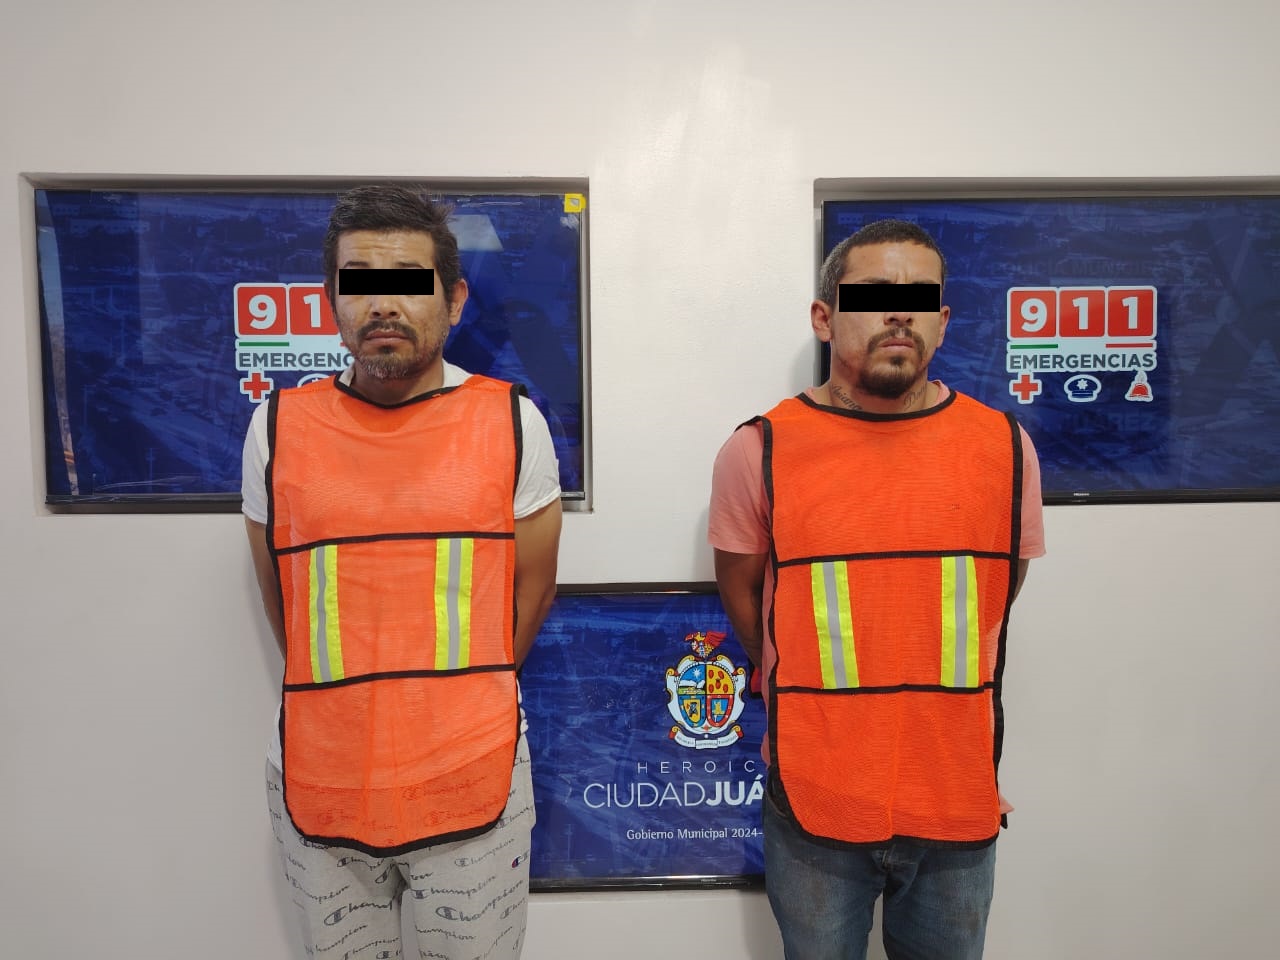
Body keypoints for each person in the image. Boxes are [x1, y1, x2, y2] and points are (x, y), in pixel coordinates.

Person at [709, 219, 1045, 960]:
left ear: (943, 322)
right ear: (824, 317)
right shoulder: (757, 450)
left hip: (956, 800)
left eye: (919, 299)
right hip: (815, 802)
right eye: (872, 296)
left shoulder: (1005, 448)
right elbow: (746, 599)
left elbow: (997, 596)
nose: (899, 314)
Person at [243, 185, 562, 960]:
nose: (383, 304)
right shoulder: (277, 427)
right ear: (331, 301)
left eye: (408, 283)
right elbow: (284, 598)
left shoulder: (512, 421)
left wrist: (460, 693)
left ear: (454, 300)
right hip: (322, 772)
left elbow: (533, 590)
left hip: (472, 766)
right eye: (360, 283)